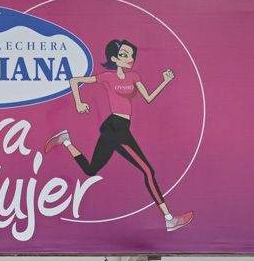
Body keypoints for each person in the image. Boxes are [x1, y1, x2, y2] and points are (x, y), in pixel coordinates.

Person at [42, 38, 194, 232]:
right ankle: (169, 219)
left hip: (120, 127)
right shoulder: (107, 77)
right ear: (114, 58)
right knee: (147, 171)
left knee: (90, 170)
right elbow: (74, 80)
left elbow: (148, 98)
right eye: (124, 55)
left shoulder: (134, 77)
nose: (129, 58)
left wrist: (165, 81)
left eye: (131, 55)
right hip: (115, 127)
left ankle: (66, 141)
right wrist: (78, 102)